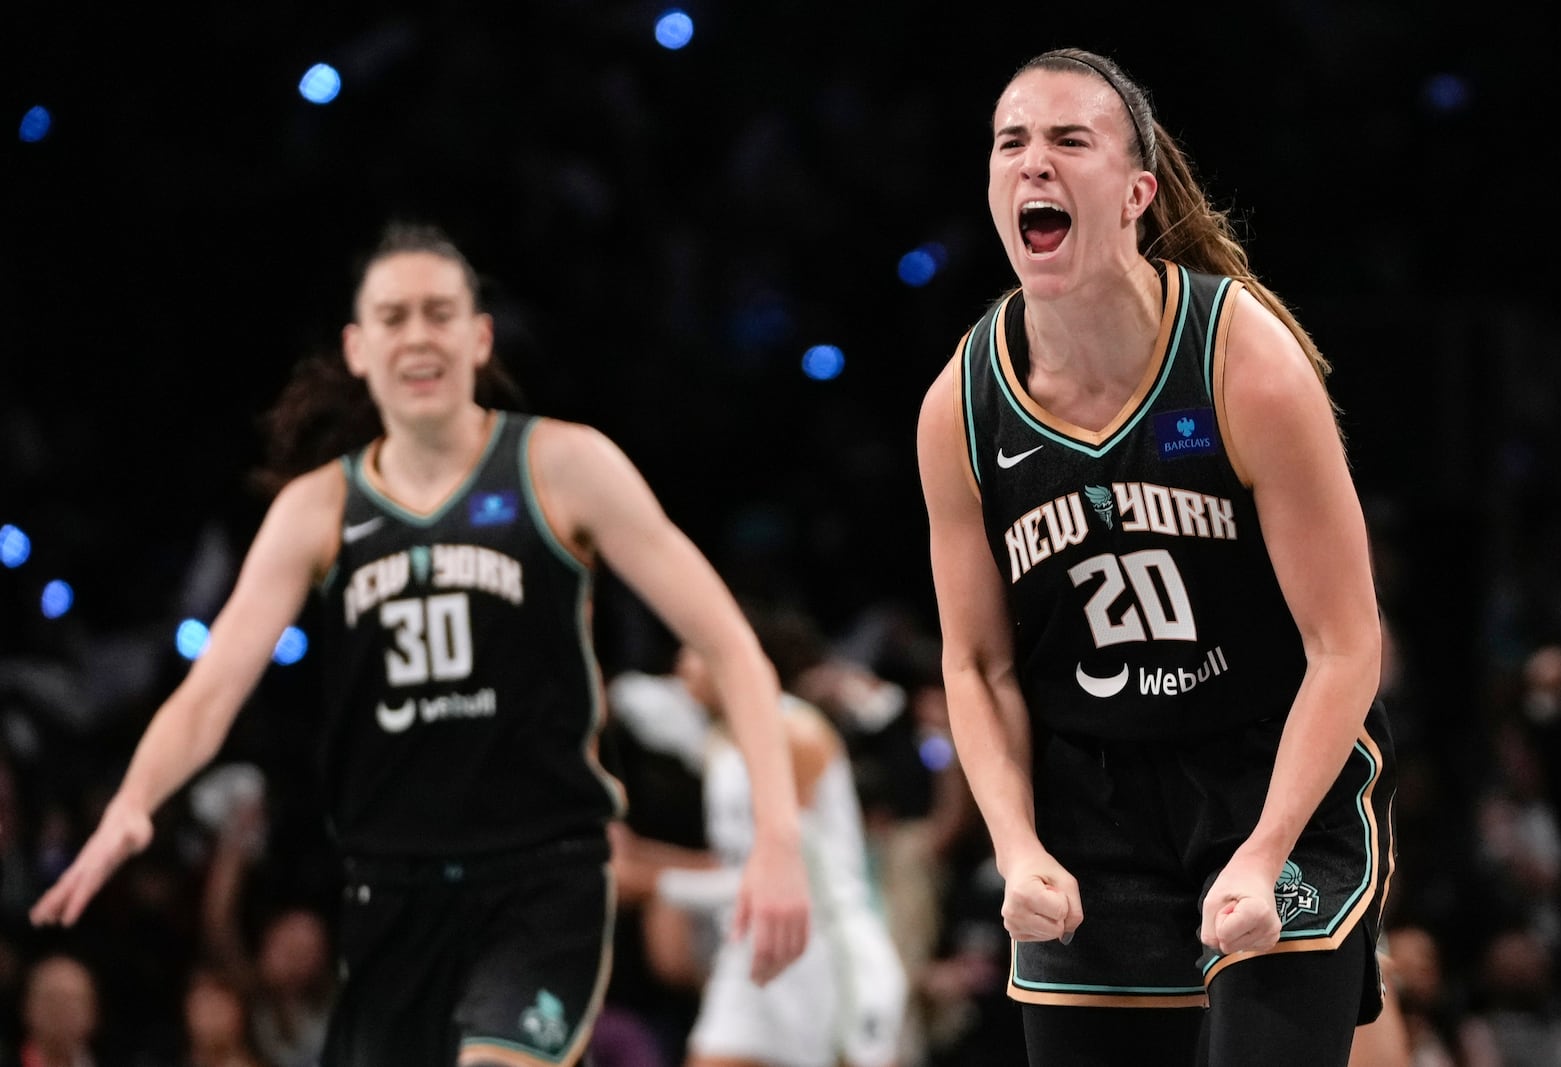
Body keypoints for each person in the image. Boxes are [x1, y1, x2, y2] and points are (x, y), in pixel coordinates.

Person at [29, 221, 811, 1067]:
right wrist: (132, 803)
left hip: (540, 882)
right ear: (359, 349)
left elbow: (733, 647)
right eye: (394, 317)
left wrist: (776, 838)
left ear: (479, 338)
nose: (418, 335)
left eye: (440, 313)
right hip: (391, 896)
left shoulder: (563, 466)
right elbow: (209, 692)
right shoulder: (318, 507)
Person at [914, 47, 1397, 1066]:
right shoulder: (959, 405)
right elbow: (976, 663)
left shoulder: (1242, 361)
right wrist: (1017, 844)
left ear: (1135, 194)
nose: (1032, 164)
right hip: (1090, 803)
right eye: (1011, 143)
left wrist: (1264, 852)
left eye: (1067, 140)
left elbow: (1345, 639)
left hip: (1270, 771)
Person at [611, 613, 909, 1067]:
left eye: (693, 652)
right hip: (753, 949)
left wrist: (654, 880)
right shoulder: (719, 739)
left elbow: (782, 876)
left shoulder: (796, 734)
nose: (682, 666)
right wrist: (634, 854)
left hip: (824, 951)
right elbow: (734, 862)